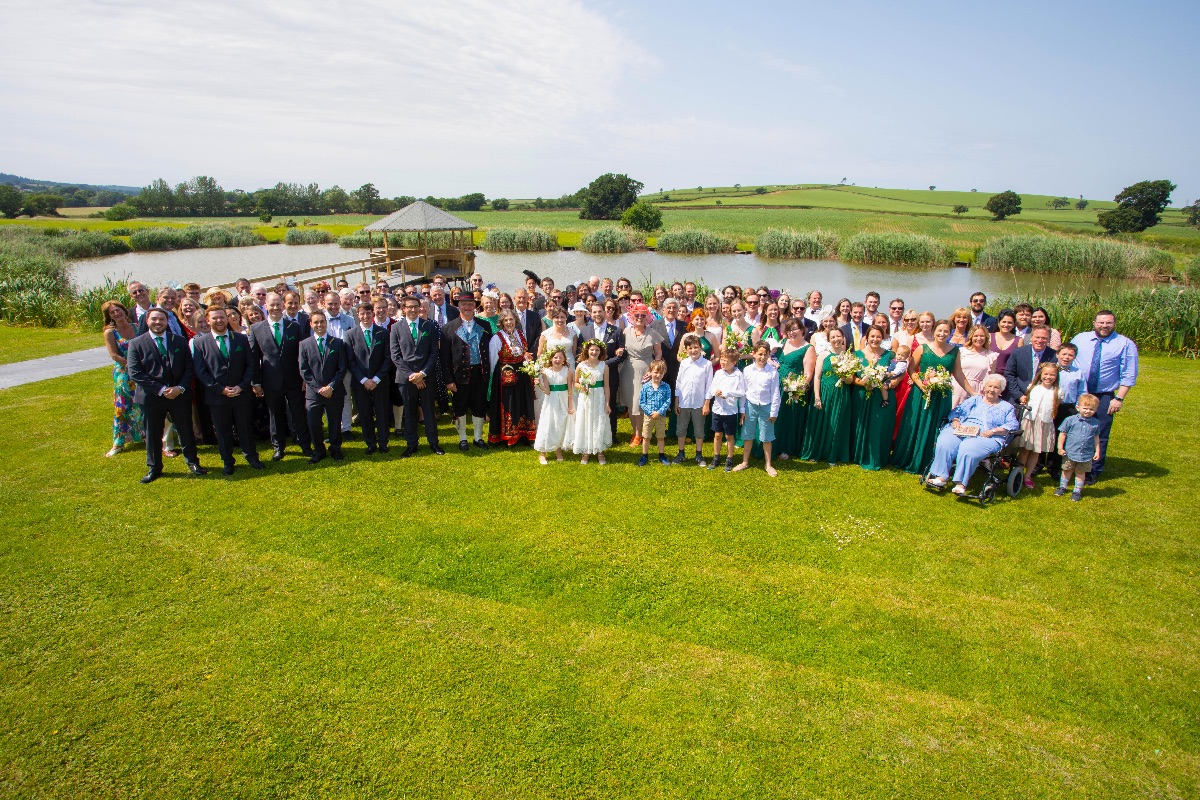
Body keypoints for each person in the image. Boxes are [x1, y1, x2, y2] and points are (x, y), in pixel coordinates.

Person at [125, 308, 206, 482]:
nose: (158, 322)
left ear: (166, 321)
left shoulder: (178, 341)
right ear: (147, 321)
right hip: (151, 397)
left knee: (186, 431)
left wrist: (181, 387)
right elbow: (135, 373)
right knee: (153, 433)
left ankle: (193, 462)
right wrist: (160, 390)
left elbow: (189, 367)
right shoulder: (137, 343)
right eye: (154, 319)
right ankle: (154, 467)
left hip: (179, 395)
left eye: (161, 319)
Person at [891, 319, 974, 475]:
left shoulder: (955, 351)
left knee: (936, 426)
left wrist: (973, 392)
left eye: (946, 331)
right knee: (916, 424)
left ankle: (932, 461)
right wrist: (921, 385)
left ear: (950, 334)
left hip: (942, 395)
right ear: (934, 331)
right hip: (921, 393)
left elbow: (958, 374)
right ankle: (910, 458)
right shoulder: (923, 348)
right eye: (939, 330)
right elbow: (911, 369)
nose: (942, 334)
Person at [193, 306, 263, 476]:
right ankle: (227, 461)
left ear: (227, 318)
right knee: (223, 430)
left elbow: (250, 364)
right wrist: (220, 389)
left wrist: (242, 385)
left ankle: (251, 456)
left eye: (222, 317)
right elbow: (201, 371)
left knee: (244, 427)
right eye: (215, 318)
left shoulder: (240, 339)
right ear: (208, 320)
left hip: (241, 392)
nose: (219, 321)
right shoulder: (199, 343)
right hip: (217, 396)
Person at [1070, 310, 1138, 483]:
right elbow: (1067, 358)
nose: (1104, 326)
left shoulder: (1124, 343)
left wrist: (1119, 398)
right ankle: (1070, 465)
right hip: (1080, 392)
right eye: (1101, 322)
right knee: (1074, 429)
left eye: (1108, 323)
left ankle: (1093, 470)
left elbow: (1129, 374)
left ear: (1114, 324)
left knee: (1099, 432)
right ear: (1094, 323)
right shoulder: (1080, 338)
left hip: (1104, 395)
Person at [925, 375, 1020, 495]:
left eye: (996, 387)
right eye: (989, 386)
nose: (992, 389)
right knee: (946, 442)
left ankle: (961, 484)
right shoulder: (974, 400)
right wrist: (955, 420)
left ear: (1001, 391)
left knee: (968, 448)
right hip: (964, 428)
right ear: (984, 387)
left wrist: (993, 431)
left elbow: (1013, 425)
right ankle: (941, 477)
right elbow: (957, 411)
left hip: (987, 435)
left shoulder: (1007, 407)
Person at [248, 292, 312, 461]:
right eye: (272, 305)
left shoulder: (295, 327)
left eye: (278, 305)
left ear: (283, 306)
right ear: (266, 306)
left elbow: (301, 355)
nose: (275, 308)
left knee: (298, 413)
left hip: (293, 379)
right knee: (275, 415)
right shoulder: (256, 329)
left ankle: (305, 444)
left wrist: (304, 379)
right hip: (270, 380)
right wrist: (255, 382)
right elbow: (254, 358)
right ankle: (278, 447)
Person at [390, 295, 444, 457]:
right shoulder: (396, 328)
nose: (413, 310)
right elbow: (395, 355)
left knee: (429, 411)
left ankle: (434, 443)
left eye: (416, 306)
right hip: (406, 379)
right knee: (410, 411)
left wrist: (422, 374)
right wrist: (412, 376)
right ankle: (411, 444)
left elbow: (434, 352)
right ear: (403, 308)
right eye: (409, 307)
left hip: (426, 377)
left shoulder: (429, 326)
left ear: (420, 307)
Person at [441, 293, 492, 451]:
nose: (467, 307)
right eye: (464, 304)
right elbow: (444, 358)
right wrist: (449, 380)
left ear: (475, 305)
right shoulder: (448, 328)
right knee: (459, 406)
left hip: (480, 372)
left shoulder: (485, 326)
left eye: (470, 303)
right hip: (459, 374)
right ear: (458, 306)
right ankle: (462, 438)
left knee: (479, 405)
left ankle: (478, 437)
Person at [298, 309, 348, 463]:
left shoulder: (338, 343)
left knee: (334, 421)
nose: (320, 325)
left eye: (322, 321)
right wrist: (318, 388)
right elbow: (304, 370)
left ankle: (335, 448)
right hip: (314, 393)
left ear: (326, 323)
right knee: (314, 423)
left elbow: (342, 368)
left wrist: (331, 386)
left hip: (334, 391)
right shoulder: (304, 344)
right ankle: (319, 450)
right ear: (311, 324)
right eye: (316, 322)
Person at [344, 301, 393, 454]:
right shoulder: (350, 334)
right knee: (365, 413)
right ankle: (370, 443)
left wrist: (377, 378)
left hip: (380, 381)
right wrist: (364, 380)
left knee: (382, 412)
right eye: (362, 314)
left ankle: (383, 442)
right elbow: (350, 361)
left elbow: (388, 358)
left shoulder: (383, 333)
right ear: (357, 315)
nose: (365, 316)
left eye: (368, 313)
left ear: (373, 314)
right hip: (361, 382)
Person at [801, 329, 853, 464]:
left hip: (840, 393)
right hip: (824, 391)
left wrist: (845, 376)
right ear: (829, 340)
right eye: (833, 337)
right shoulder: (824, 355)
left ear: (843, 338)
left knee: (836, 423)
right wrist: (817, 396)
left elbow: (850, 381)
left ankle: (832, 454)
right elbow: (817, 377)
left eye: (838, 336)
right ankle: (815, 452)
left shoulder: (849, 357)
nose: (836, 339)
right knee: (820, 422)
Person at [102, 301, 144, 458]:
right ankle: (118, 442)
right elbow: (114, 354)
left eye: (118, 310)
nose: (116, 314)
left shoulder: (136, 327)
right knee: (122, 406)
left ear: (124, 311)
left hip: (141, 370)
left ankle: (143, 434)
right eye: (112, 313)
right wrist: (130, 366)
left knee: (141, 403)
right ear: (109, 316)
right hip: (123, 372)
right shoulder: (110, 332)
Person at [851, 325, 897, 471]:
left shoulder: (890, 355)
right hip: (862, 395)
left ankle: (878, 457)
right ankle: (859, 455)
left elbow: (900, 371)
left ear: (882, 338)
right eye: (872, 336)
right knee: (862, 425)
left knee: (879, 426)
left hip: (882, 396)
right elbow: (851, 377)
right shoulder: (857, 354)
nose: (875, 339)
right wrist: (862, 383)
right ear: (867, 337)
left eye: (878, 336)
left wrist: (893, 382)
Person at [620, 303, 664, 447]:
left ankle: (640, 435)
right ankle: (635, 432)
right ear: (632, 316)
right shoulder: (626, 331)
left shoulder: (652, 333)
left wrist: (653, 370)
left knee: (639, 404)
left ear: (647, 317)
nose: (639, 318)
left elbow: (658, 353)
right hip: (628, 370)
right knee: (630, 403)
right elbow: (619, 349)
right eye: (636, 315)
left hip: (646, 371)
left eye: (642, 315)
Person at [734, 342, 781, 476]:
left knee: (766, 437)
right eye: (759, 354)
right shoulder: (748, 370)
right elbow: (744, 391)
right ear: (754, 354)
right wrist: (742, 410)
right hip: (750, 405)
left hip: (766, 407)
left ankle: (768, 465)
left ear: (769, 355)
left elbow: (775, 393)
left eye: (765, 354)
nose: (762, 357)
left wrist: (774, 412)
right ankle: (744, 461)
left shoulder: (773, 372)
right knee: (748, 435)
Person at [773, 320, 816, 461]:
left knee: (789, 418)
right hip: (777, 385)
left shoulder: (808, 348)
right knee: (775, 415)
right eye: (789, 330)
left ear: (802, 330)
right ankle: (771, 444)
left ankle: (786, 448)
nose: (792, 332)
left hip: (793, 388)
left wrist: (797, 389)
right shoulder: (782, 343)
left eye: (795, 329)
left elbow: (808, 374)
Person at [566, 339, 612, 464]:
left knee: (598, 422)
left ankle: (599, 451)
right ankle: (586, 451)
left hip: (598, 397)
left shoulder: (604, 366)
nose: (594, 352)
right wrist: (582, 387)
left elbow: (606, 386)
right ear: (587, 350)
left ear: (600, 351)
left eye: (597, 350)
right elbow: (575, 383)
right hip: (585, 397)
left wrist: (607, 403)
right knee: (585, 421)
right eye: (592, 349)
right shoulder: (581, 366)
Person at [1015, 362, 1059, 488]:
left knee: (1036, 451)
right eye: (1045, 374)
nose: (1048, 377)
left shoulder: (1058, 392)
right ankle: (1018, 472)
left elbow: (1055, 407)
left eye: (1052, 375)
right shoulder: (1033, 388)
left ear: (1056, 376)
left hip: (1044, 423)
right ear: (1040, 374)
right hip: (1029, 421)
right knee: (1024, 449)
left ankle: (1028, 475)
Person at [1046, 343, 1084, 481]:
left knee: (1060, 436)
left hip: (1067, 407)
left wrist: (1079, 407)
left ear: (1074, 357)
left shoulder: (1078, 373)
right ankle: (1038, 464)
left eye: (1070, 355)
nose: (1066, 357)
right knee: (1046, 433)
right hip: (1049, 405)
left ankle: (1054, 466)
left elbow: (1082, 392)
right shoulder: (1050, 369)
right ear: (1057, 354)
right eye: (1064, 354)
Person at [673, 334, 712, 465]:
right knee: (681, 428)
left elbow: (709, 385)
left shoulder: (707, 365)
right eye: (690, 348)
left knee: (699, 430)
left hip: (699, 403)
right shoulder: (684, 363)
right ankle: (681, 452)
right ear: (686, 350)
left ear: (701, 348)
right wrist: (677, 400)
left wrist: (706, 403)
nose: (693, 350)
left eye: (696, 347)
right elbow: (678, 382)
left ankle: (699, 454)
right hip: (684, 402)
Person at [705, 348, 746, 472]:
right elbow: (711, 388)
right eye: (721, 360)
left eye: (725, 361)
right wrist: (714, 393)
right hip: (718, 409)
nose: (722, 363)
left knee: (729, 436)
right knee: (717, 435)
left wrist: (728, 393)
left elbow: (742, 392)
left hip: (731, 411)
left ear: (734, 363)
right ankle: (716, 457)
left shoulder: (738, 374)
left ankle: (729, 458)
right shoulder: (718, 373)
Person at [1056, 393, 1102, 501]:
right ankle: (1062, 487)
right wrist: (1060, 447)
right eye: (1085, 408)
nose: (1087, 411)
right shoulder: (1070, 420)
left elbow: (1096, 437)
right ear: (1078, 407)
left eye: (1091, 409)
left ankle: (1077, 491)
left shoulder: (1095, 423)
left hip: (1086, 454)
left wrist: (1097, 451)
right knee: (1067, 470)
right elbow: (1062, 434)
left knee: (1081, 472)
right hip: (1070, 452)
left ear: (1095, 410)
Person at [533, 347, 574, 464]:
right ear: (551, 359)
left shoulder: (568, 371)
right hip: (551, 401)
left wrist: (570, 405)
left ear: (564, 359)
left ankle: (558, 449)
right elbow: (547, 391)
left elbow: (570, 389)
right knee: (548, 424)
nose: (558, 360)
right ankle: (542, 453)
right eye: (555, 357)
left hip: (563, 400)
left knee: (560, 425)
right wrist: (539, 384)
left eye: (560, 357)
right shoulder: (546, 372)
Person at [1002, 325, 1056, 406]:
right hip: (1017, 397)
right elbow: (1009, 375)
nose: (1040, 340)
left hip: (1042, 400)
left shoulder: (1054, 356)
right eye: (1037, 337)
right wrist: (1019, 395)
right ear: (1031, 337)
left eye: (1044, 338)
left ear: (1049, 339)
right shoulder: (1018, 352)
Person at [637, 359, 672, 466]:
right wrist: (650, 412)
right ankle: (644, 455)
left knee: (660, 437)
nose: (658, 375)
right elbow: (642, 402)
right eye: (656, 372)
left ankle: (661, 455)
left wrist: (659, 412)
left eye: (661, 373)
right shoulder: (646, 387)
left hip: (660, 417)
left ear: (664, 373)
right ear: (651, 372)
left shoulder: (666, 387)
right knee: (646, 437)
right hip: (648, 416)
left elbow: (668, 401)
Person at [954, 325, 997, 407]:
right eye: (976, 336)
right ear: (971, 337)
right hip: (959, 387)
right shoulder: (961, 351)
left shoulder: (991, 355)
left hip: (978, 391)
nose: (979, 338)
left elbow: (991, 377)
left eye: (982, 336)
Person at [538, 307, 576, 373]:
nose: (560, 320)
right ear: (552, 318)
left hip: (569, 366)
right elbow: (540, 354)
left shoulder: (573, 333)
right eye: (557, 317)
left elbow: (574, 353)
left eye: (562, 317)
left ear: (566, 318)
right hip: (551, 367)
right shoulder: (545, 334)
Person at [989, 310, 1022, 375]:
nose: (1006, 325)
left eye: (1009, 322)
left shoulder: (1019, 341)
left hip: (1008, 377)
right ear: (998, 323)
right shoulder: (989, 336)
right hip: (989, 377)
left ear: (1014, 324)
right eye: (1004, 322)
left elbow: (1019, 363)